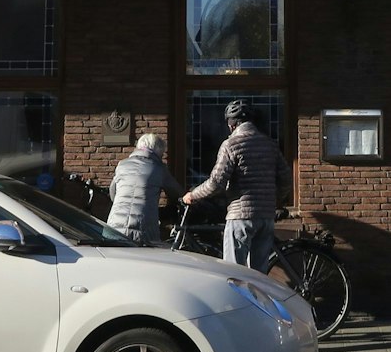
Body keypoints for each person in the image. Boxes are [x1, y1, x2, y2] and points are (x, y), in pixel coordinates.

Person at [183, 98, 285, 270]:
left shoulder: (231, 144)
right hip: (266, 216)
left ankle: (237, 298)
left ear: (231, 125)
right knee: (259, 275)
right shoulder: (270, 145)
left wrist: (192, 195)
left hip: (241, 215)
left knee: (233, 272)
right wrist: (275, 201)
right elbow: (286, 178)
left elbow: (216, 183)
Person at [105, 133, 181, 245]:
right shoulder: (159, 169)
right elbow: (177, 193)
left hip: (115, 226)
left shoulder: (122, 165)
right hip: (143, 228)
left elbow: (113, 193)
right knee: (144, 260)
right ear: (159, 150)